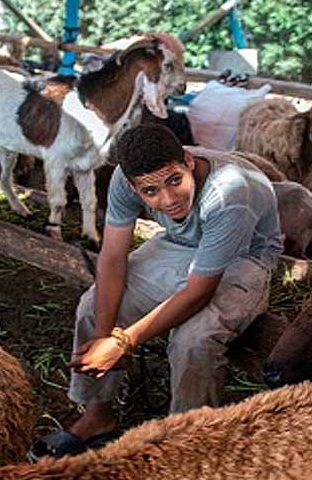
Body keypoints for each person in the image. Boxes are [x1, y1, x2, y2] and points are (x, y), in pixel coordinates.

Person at [29, 123, 283, 460]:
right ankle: (97, 415)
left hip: (243, 257)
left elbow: (198, 292)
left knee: (193, 340)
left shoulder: (229, 194)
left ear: (188, 161)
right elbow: (113, 256)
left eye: (175, 180)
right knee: (92, 307)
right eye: (150, 191)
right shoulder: (124, 178)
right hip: (179, 244)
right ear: (132, 186)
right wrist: (104, 337)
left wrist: (123, 342)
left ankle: (187, 442)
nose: (168, 199)